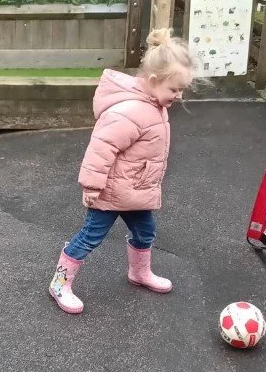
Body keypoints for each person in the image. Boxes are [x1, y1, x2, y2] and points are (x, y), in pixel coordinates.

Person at [48, 27, 197, 314]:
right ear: (153, 81)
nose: (178, 96)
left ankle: (139, 273)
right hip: (109, 193)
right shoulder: (129, 111)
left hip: (135, 192)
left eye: (181, 90)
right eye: (174, 89)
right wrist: (91, 186)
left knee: (145, 232)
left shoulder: (154, 104)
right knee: (90, 237)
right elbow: (100, 149)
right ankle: (59, 283)